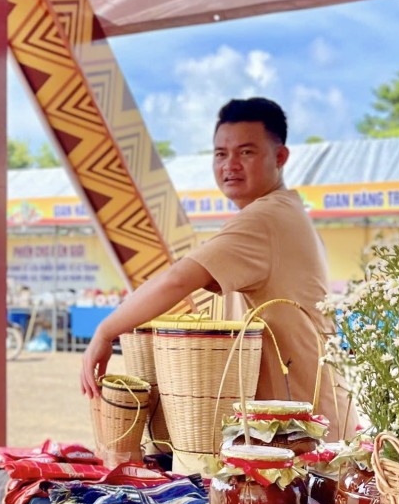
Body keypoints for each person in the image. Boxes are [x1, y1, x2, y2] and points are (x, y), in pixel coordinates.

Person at [80, 97, 355, 436]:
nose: (230, 165)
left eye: (246, 152)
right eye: (221, 154)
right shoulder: (281, 212)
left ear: (280, 157)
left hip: (303, 432)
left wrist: (105, 331)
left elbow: (178, 280)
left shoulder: (265, 217)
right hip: (305, 421)